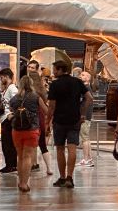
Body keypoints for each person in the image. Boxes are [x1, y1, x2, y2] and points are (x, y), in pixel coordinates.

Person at [46, 60, 87, 188]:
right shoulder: (77, 82)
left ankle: (62, 177)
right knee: (72, 148)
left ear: (59, 70)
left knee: (60, 148)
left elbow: (52, 106)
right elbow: (89, 98)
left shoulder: (55, 84)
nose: (53, 72)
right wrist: (82, 113)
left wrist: (47, 121)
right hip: (74, 119)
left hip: (59, 120)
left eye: (54, 69)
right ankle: (70, 177)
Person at [9, 75, 48, 192]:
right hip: (32, 130)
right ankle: (24, 184)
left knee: (20, 156)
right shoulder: (35, 97)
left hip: (16, 130)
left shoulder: (15, 98)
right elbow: (46, 111)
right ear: (31, 84)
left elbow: (11, 110)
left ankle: (20, 181)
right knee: (27, 157)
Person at [29, 70, 53, 176]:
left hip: (32, 120)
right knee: (43, 145)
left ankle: (32, 165)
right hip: (41, 118)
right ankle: (49, 168)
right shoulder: (42, 91)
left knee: (31, 144)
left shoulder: (30, 93)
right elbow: (46, 109)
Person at [0, 68, 18, 173]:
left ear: (6, 77)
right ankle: (9, 164)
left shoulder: (12, 88)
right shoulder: (7, 88)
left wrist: (11, 114)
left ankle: (11, 165)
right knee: (7, 144)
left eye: (1, 78)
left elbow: (16, 101)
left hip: (8, 119)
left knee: (8, 144)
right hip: (4, 118)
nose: (1, 80)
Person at [77, 70, 95, 168]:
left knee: (84, 138)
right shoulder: (86, 88)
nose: (80, 76)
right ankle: (89, 158)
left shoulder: (86, 88)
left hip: (85, 116)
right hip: (86, 116)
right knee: (86, 137)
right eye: (80, 74)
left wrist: (83, 114)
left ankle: (86, 159)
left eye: (83, 75)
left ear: (88, 78)